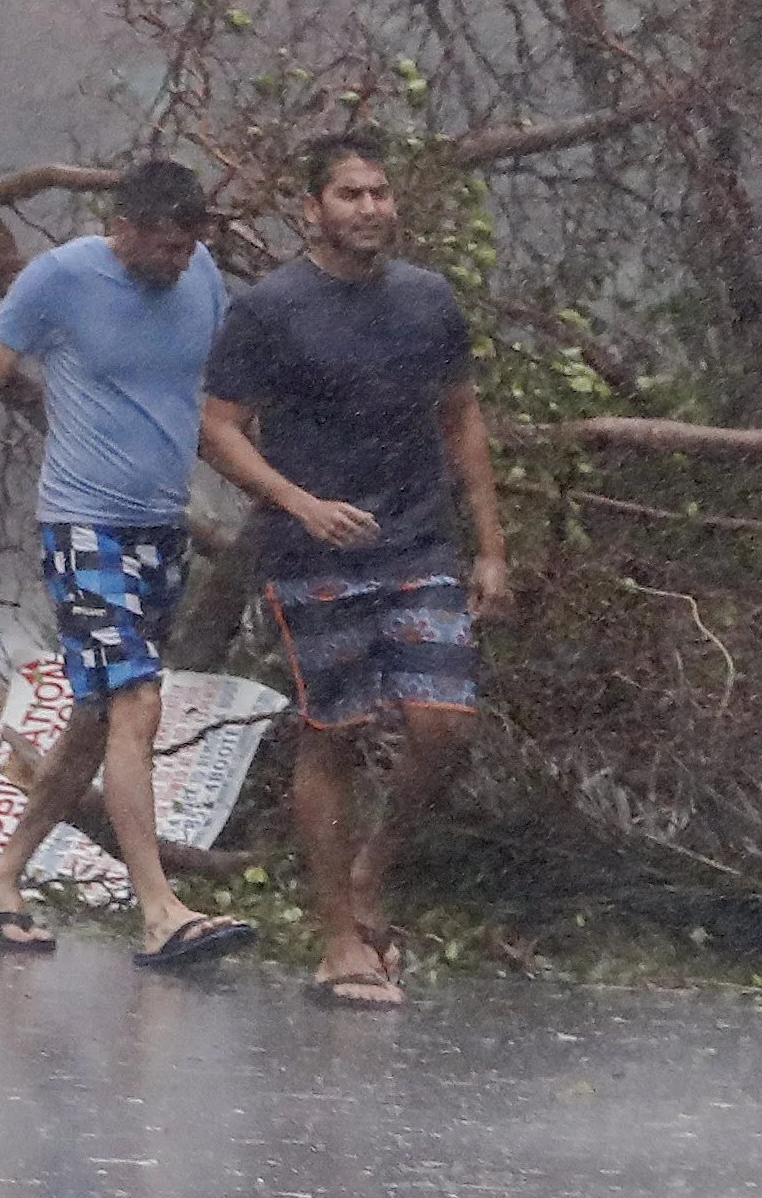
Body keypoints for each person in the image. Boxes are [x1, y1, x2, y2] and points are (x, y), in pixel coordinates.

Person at [0, 158, 257, 970]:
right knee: (136, 700)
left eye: (191, 246)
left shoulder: (203, 275)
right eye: (169, 247)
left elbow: (222, 395)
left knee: (91, 718)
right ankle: (159, 911)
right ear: (127, 229)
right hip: (82, 526)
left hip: (158, 527)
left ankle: (1, 875)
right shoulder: (61, 279)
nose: (181, 261)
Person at [198, 130, 511, 1010]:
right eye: (349, 194)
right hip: (314, 554)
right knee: (330, 731)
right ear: (311, 210)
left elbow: (461, 419)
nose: (369, 208)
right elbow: (217, 426)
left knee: (443, 724)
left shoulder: (427, 301)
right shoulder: (270, 309)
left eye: (379, 192)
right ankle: (339, 938)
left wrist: (489, 547)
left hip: (418, 542)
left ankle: (372, 868)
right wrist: (295, 501)